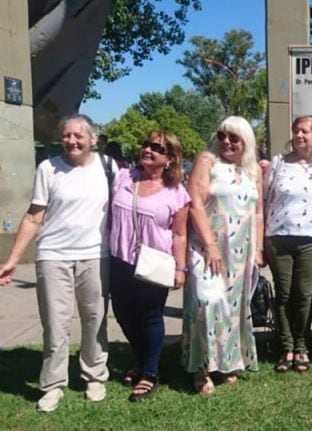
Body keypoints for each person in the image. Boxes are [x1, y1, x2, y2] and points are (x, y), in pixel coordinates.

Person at [0, 114, 114, 412]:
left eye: (79, 135)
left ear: (93, 138)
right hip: (53, 255)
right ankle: (52, 384)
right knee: (55, 324)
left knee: (95, 321)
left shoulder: (109, 167)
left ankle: (94, 376)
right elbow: (33, 216)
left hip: (95, 255)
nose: (72, 141)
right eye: (66, 135)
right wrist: (12, 260)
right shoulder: (48, 168)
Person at [183, 116, 264, 394]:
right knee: (207, 303)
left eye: (234, 138)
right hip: (208, 247)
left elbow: (259, 211)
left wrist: (259, 249)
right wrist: (210, 245)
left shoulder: (253, 170)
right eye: (222, 135)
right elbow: (194, 202)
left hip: (241, 252)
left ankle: (228, 362)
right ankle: (200, 368)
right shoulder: (208, 161)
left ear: (246, 142)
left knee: (233, 306)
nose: (226, 142)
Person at [109, 131, 190, 402]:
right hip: (120, 259)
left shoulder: (176, 193)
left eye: (157, 148)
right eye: (146, 144)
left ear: (169, 159)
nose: (149, 150)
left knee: (150, 316)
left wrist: (181, 268)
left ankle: (150, 373)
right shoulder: (123, 178)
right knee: (123, 313)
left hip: (154, 262)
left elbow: (179, 234)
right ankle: (142, 357)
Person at [265, 115, 312, 372]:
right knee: (283, 293)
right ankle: (286, 347)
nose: (299, 135)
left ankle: (302, 345)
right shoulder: (278, 163)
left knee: (304, 295)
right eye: (296, 131)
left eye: (305, 131)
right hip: (278, 237)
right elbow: (264, 199)